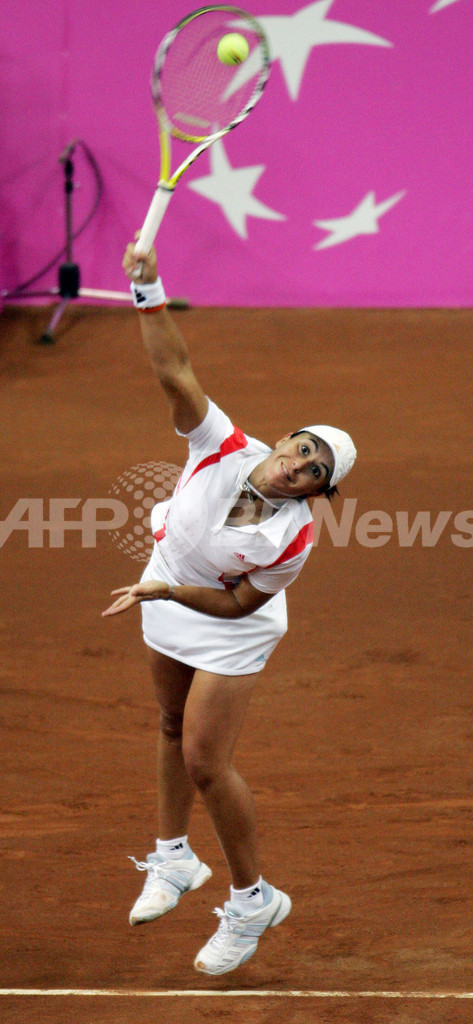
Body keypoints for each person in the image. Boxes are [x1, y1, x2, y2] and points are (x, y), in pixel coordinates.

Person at [102, 240, 357, 976]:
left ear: (315, 491)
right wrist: (148, 291)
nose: (300, 464)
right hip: (164, 584)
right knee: (169, 723)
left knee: (205, 760)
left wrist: (166, 591)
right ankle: (173, 858)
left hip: (229, 625)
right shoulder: (220, 445)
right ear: (283, 438)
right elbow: (173, 370)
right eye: (302, 447)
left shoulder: (292, 538)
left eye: (315, 471)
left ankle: (253, 900)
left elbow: (238, 602)